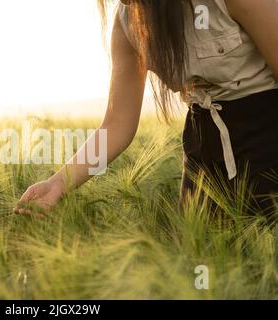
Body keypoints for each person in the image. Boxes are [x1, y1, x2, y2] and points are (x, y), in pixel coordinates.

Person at [14, 0, 278, 218]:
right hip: (202, 144)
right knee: (201, 264)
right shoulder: (128, 24)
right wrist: (59, 183)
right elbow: (117, 126)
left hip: (267, 131)